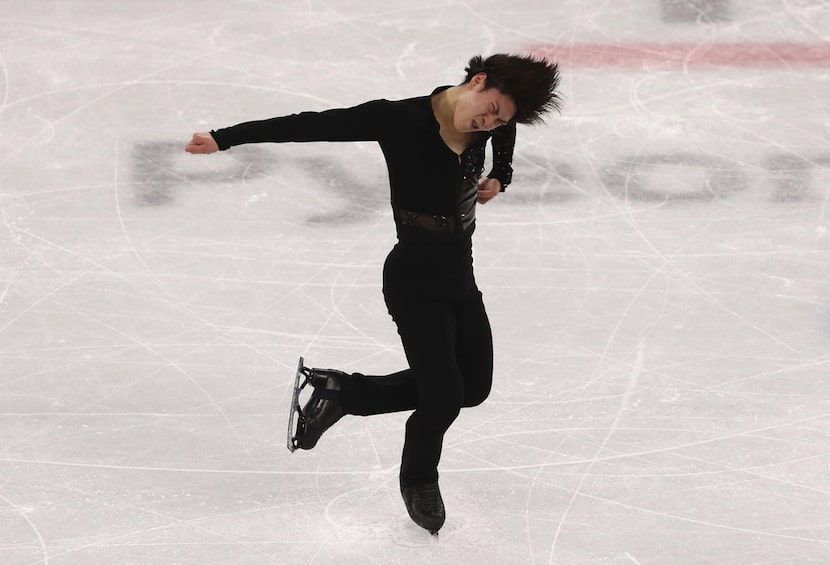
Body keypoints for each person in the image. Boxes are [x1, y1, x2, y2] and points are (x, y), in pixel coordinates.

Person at [186, 53, 561, 535]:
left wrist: (500, 176)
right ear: (477, 79)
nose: (487, 122)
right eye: (489, 109)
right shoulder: (399, 119)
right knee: (444, 396)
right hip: (413, 281)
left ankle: (344, 392)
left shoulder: (492, 120)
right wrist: (224, 138)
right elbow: (310, 125)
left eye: (498, 119)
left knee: (475, 388)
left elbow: (504, 130)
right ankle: (419, 478)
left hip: (459, 276)